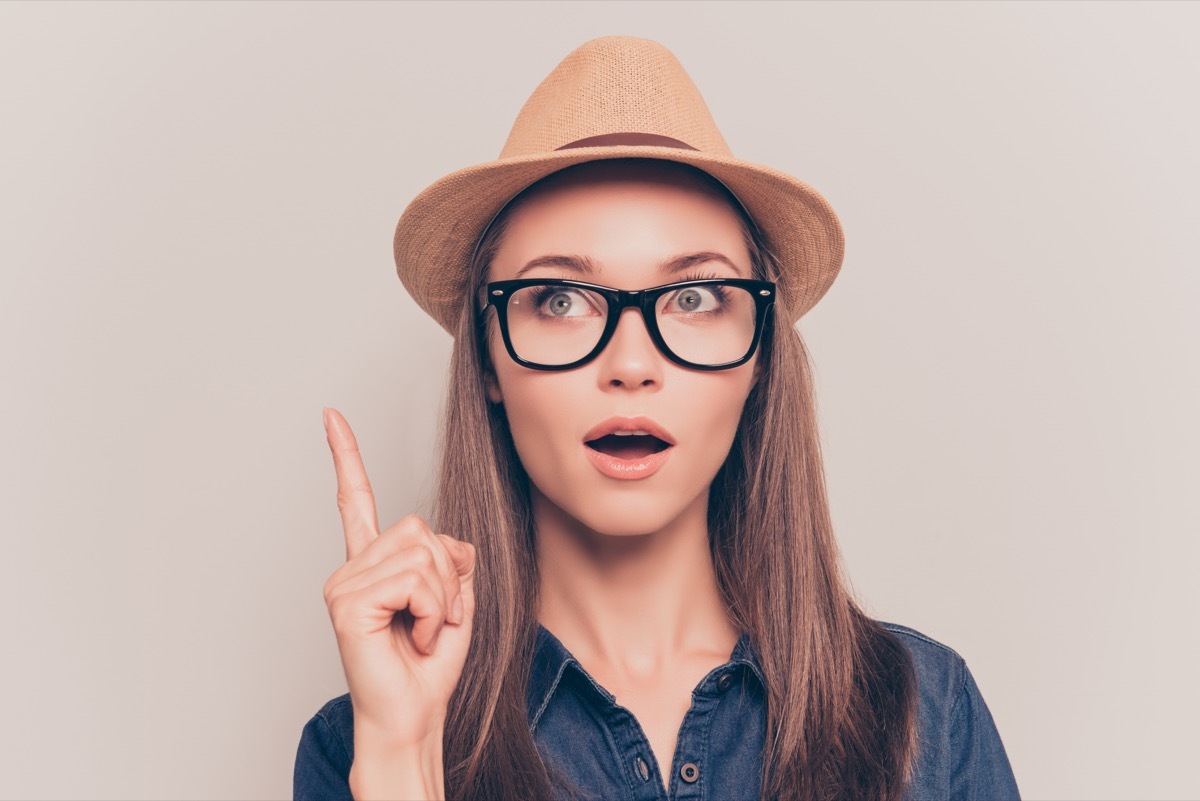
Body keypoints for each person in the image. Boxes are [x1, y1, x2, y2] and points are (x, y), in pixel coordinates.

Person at [293, 36, 1020, 801]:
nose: (632, 363)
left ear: (761, 356)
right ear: (486, 359)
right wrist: (402, 757)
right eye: (561, 300)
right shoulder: (362, 742)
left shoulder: (926, 709)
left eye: (694, 297)